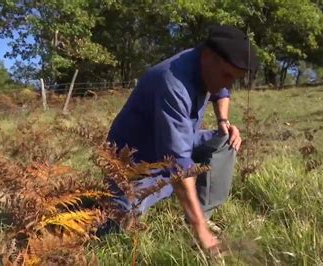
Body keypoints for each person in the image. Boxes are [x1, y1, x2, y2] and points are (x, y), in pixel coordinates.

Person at [106, 25, 259, 252]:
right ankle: (195, 222)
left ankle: (199, 213)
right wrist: (202, 233)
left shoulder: (208, 64)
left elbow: (221, 91)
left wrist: (223, 122)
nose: (228, 83)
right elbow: (177, 162)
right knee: (118, 225)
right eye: (227, 75)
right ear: (208, 56)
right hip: (136, 163)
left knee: (225, 140)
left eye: (234, 79)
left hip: (179, 142)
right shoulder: (173, 83)